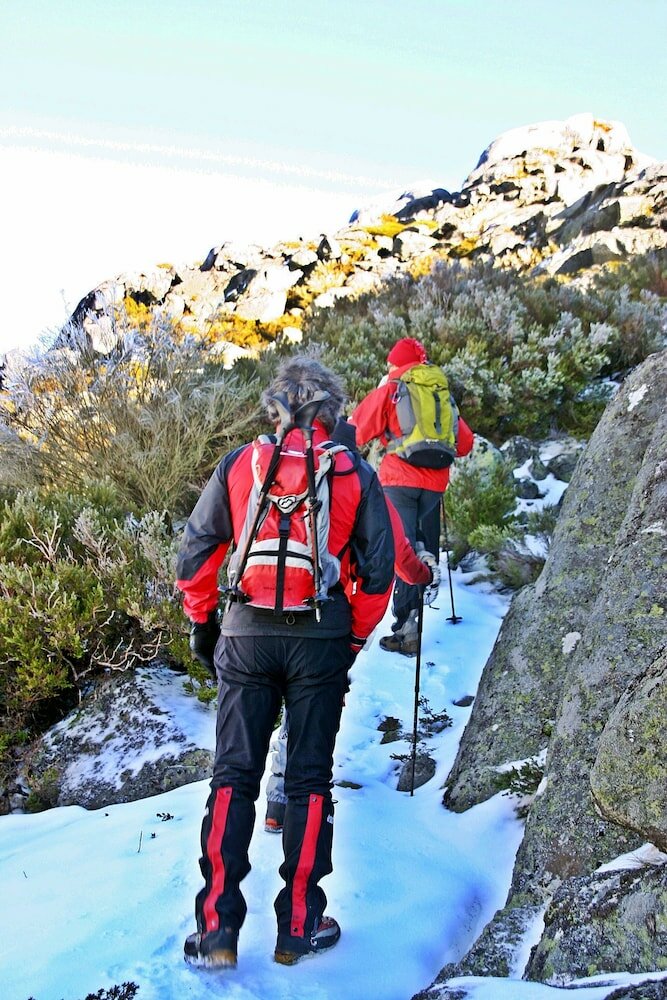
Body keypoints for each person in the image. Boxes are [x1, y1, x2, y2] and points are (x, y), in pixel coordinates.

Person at [175, 357, 395, 969]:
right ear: (334, 411)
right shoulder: (353, 471)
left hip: (245, 633)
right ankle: (299, 926)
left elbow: (196, 554)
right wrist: (351, 640)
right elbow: (379, 575)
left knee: (233, 776)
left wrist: (204, 622)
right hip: (320, 637)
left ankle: (216, 929)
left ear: (275, 408)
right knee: (308, 780)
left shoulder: (241, 463)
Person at [264, 418, 441, 834]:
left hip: (264, 609)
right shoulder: (360, 483)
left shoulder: (279, 476)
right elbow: (398, 556)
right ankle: (290, 804)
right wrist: (423, 575)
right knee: (312, 708)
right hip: (325, 619)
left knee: (277, 704)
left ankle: (274, 799)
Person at [349, 337, 474, 656]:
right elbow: (465, 444)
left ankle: (406, 632)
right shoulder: (440, 394)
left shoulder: (393, 388)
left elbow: (355, 431)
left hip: (398, 481)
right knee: (423, 548)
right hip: (435, 485)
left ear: (396, 363)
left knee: (404, 552)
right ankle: (418, 609)